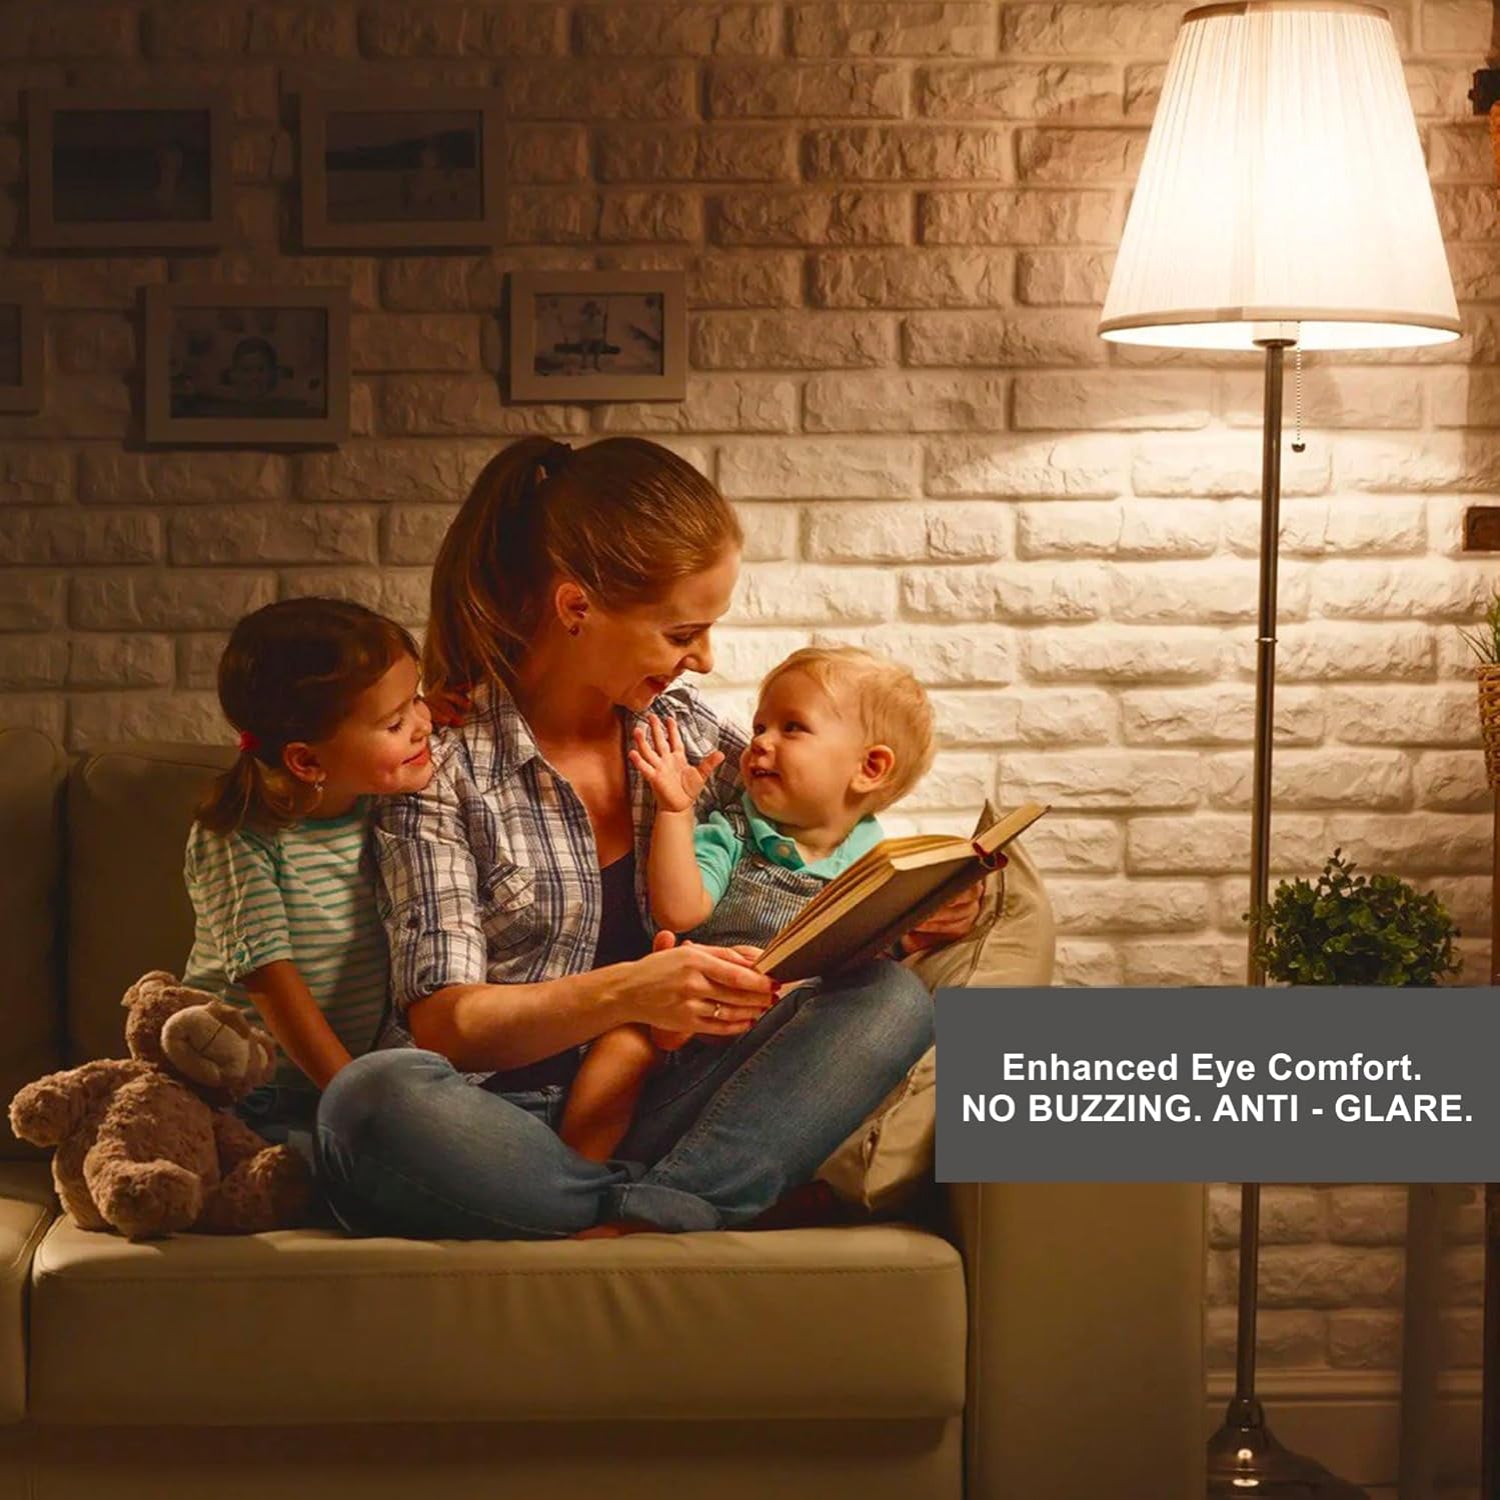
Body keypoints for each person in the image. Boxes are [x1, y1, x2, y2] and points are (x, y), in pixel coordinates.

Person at [315, 435, 982, 1239]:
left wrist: (913, 906)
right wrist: (633, 991)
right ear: (576, 608)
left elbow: (814, 832)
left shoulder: (686, 735)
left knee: (890, 999)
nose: (704, 659)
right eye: (680, 633)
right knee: (369, 1103)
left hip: (664, 1109)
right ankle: (668, 1206)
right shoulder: (443, 768)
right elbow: (447, 1026)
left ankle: (648, 1206)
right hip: (497, 1123)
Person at [558, 645, 936, 1162]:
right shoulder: (735, 830)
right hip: (687, 1022)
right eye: (761, 726)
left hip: (776, 1045)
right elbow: (680, 912)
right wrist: (675, 812)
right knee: (623, 1045)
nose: (759, 741)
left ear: (869, 767)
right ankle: (573, 1176)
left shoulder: (876, 870)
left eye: (792, 727)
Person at [182, 598, 434, 1161]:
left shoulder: (380, 802)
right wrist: (356, 1102)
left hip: (344, 1081)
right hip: (253, 1090)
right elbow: (272, 984)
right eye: (396, 722)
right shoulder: (240, 835)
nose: (425, 725)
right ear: (307, 762)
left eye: (417, 698)